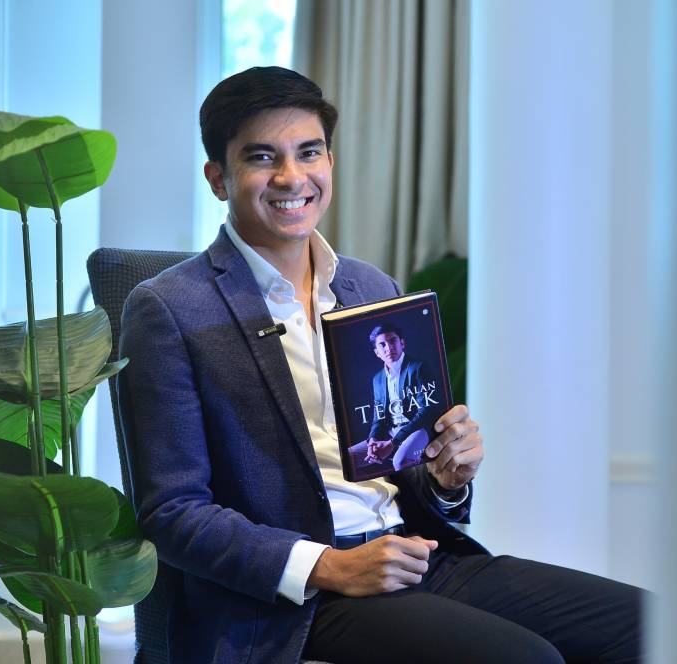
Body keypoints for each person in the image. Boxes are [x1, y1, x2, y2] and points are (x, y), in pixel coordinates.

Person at [118, 66, 644, 664]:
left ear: (330, 164)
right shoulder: (169, 308)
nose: (292, 177)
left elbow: (396, 463)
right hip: (297, 598)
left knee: (650, 626)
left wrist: (445, 480)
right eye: (262, 158)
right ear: (219, 177)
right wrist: (330, 566)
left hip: (415, 554)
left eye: (308, 152)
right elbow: (174, 511)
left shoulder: (371, 287)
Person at [348, 323, 435, 472]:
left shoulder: (418, 367)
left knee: (400, 462)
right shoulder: (377, 379)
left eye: (392, 341)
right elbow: (378, 415)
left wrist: (394, 442)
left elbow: (426, 411)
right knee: (348, 459)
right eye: (382, 345)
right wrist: (373, 440)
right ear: (377, 352)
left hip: (417, 428)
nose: (388, 348)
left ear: (402, 343)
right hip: (390, 431)